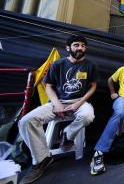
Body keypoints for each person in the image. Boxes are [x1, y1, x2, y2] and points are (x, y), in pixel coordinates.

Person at [19, 35, 97, 184]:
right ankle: (41, 159)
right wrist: (57, 104)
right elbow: (48, 86)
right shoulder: (58, 64)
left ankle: (67, 135)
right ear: (68, 48)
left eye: (82, 45)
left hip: (79, 103)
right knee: (25, 121)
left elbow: (93, 86)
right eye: (76, 45)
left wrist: (78, 104)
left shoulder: (90, 65)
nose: (80, 48)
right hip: (57, 101)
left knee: (88, 116)